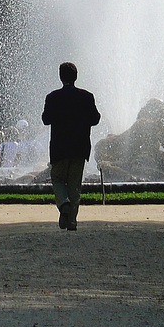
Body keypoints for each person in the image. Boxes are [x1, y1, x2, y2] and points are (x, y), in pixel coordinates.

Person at [42, 62, 100, 230]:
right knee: (75, 184)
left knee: (58, 179)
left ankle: (63, 204)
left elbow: (46, 119)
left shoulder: (52, 97)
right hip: (80, 147)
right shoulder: (87, 97)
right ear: (76, 76)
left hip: (60, 147)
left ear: (61, 77)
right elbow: (95, 119)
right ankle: (72, 221)